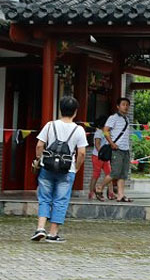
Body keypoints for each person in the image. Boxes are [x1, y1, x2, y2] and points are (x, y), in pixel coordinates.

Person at [30, 96, 89, 243]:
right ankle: (53, 233)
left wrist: (39, 160)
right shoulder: (79, 130)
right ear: (75, 111)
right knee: (60, 200)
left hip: (47, 167)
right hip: (67, 169)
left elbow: (39, 145)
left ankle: (40, 228)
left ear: (60, 110)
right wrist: (76, 167)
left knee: (44, 198)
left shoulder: (50, 125)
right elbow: (82, 153)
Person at [101, 97, 133, 203]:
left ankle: (120, 195)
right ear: (118, 106)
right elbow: (105, 130)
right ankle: (99, 187)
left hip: (125, 149)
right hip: (116, 149)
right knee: (115, 172)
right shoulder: (113, 118)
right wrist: (111, 143)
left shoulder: (127, 119)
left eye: (127, 105)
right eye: (123, 104)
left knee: (123, 174)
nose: (126, 107)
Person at [88, 115, 114, 201]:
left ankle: (111, 193)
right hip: (97, 156)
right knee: (96, 175)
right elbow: (97, 144)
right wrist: (101, 153)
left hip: (105, 157)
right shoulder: (98, 132)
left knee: (109, 174)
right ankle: (91, 192)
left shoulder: (107, 132)